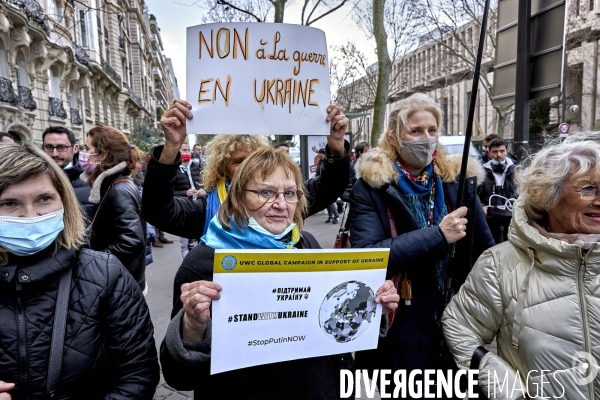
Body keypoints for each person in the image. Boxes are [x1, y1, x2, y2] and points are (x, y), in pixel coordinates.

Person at [159, 147, 399, 399]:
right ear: (239, 196)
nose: (281, 205)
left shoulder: (304, 244)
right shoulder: (206, 262)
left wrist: (371, 307)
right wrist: (192, 325)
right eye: (266, 192)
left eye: (290, 193)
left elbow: (331, 328)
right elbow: (179, 376)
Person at [349, 93, 494, 392]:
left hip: (458, 319)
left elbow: (485, 252)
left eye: (432, 131)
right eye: (415, 131)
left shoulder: (457, 179)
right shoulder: (372, 186)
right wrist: (438, 236)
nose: (426, 139)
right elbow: (367, 254)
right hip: (404, 323)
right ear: (393, 136)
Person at [443, 139, 600, 399]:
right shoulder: (499, 264)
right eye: (588, 188)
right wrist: (510, 392)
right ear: (548, 194)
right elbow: (460, 327)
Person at [0, 143, 159, 399]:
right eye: (9, 203)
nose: (30, 216)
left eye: (44, 199)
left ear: (63, 201)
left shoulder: (105, 274)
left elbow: (136, 375)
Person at [142, 99, 350, 240]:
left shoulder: (284, 201)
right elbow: (157, 211)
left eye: (255, 159)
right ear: (223, 169)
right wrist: (171, 147)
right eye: (240, 161)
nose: (249, 168)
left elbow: (330, 187)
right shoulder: (206, 208)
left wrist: (336, 145)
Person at [82, 126, 148, 292]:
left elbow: (130, 242)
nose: (83, 154)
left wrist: (92, 259)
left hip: (120, 283)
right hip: (119, 278)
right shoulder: (113, 184)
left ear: (102, 155)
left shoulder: (119, 190)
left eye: (87, 148)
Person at [41, 126, 94, 220]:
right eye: (49, 147)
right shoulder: (33, 179)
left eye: (61, 147)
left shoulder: (92, 180)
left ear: (75, 148)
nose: (54, 154)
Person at [479, 137, 517, 243]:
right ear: (489, 153)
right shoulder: (481, 171)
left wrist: (518, 203)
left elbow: (525, 191)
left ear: (507, 151)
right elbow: (475, 194)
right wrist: (482, 207)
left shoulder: (517, 169)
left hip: (511, 217)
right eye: (495, 152)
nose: (499, 155)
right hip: (490, 218)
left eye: (502, 151)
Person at [174, 142, 203, 258]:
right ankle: (187, 270)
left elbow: (206, 184)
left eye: (188, 150)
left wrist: (203, 191)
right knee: (184, 244)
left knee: (202, 241)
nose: (187, 153)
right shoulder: (174, 170)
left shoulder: (197, 167)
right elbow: (170, 194)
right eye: (184, 150)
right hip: (184, 210)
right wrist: (185, 193)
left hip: (200, 208)